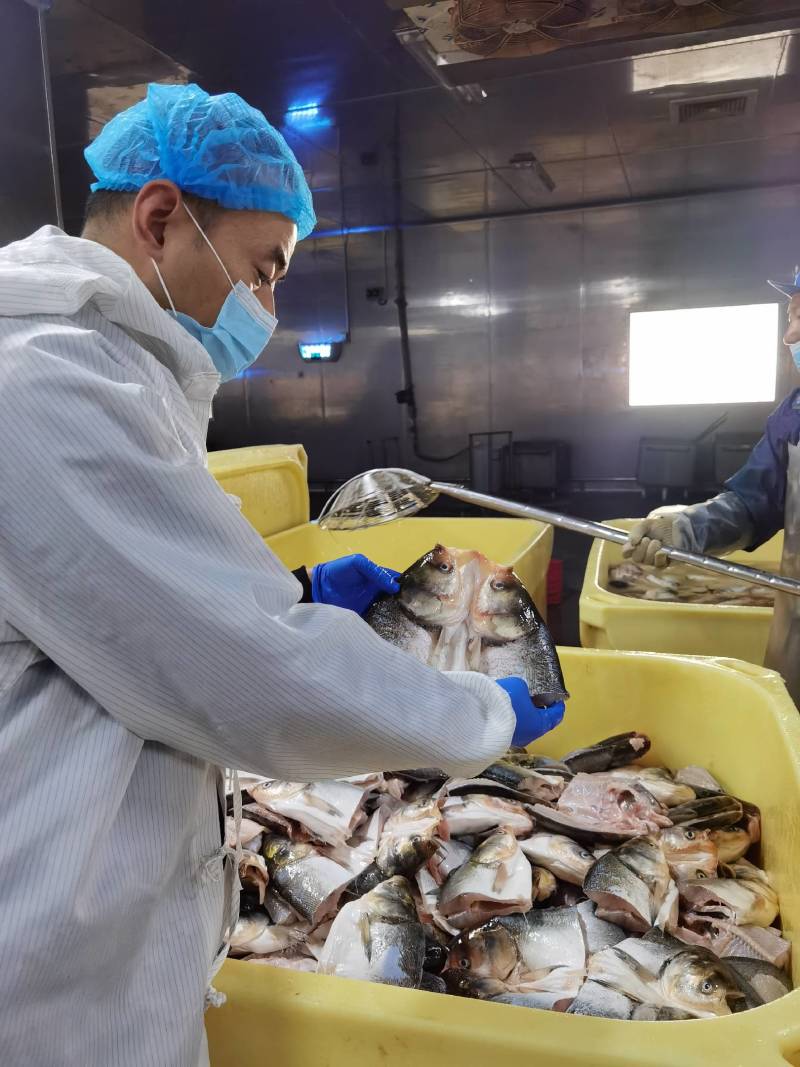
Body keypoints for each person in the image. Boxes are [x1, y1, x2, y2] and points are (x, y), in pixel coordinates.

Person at [0, 83, 564, 1066]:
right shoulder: (45, 378)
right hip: (53, 966)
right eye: (261, 270)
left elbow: (134, 600)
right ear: (162, 217)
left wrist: (291, 598)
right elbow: (248, 674)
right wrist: (478, 711)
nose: (265, 304)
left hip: (94, 924)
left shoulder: (104, 367)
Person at [624, 271, 800, 703]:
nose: (789, 335)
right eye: (792, 314)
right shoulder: (794, 416)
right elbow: (754, 502)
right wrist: (685, 528)